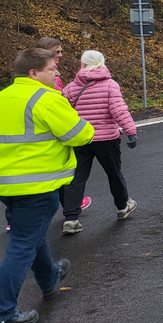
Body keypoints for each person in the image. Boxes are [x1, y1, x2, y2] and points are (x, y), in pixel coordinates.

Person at [0, 48, 95, 323]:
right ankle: (5, 311)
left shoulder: (4, 97)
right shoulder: (46, 99)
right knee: (22, 244)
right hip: (37, 187)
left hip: (7, 186)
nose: (57, 73)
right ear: (34, 73)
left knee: (30, 233)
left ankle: (50, 276)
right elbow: (81, 135)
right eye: (52, 68)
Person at [60, 50, 139, 235]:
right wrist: (131, 131)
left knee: (76, 178)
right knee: (114, 173)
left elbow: (63, 113)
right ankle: (122, 206)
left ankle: (71, 219)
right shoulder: (110, 85)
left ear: (82, 65)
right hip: (106, 140)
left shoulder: (71, 87)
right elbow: (118, 110)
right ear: (102, 63)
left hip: (80, 139)